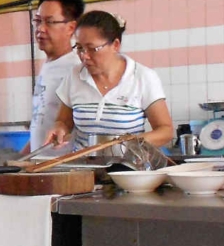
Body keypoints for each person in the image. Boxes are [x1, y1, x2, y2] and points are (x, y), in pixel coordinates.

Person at [46, 10, 173, 149]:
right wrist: (60, 129)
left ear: (115, 45)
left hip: (127, 167)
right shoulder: (75, 75)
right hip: (84, 166)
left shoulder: (143, 77)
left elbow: (165, 131)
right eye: (80, 48)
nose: (84, 56)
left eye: (92, 48)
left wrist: (128, 143)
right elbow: (64, 122)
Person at [25, 0, 84, 155]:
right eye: (37, 21)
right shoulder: (49, 65)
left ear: (71, 27)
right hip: (40, 166)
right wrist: (23, 157)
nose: (40, 29)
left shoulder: (75, 69)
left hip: (63, 169)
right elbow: (42, 123)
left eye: (50, 22)